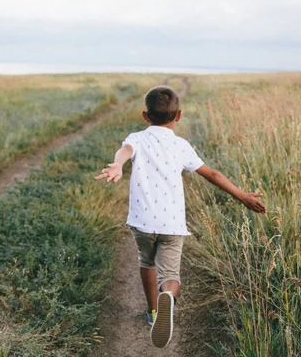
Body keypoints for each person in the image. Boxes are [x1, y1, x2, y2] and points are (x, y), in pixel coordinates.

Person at [95, 85, 267, 348]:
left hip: (142, 222)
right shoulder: (181, 145)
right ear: (178, 116)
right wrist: (242, 195)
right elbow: (213, 175)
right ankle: (168, 297)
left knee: (146, 261)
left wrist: (118, 164)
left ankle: (153, 312)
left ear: (145, 115)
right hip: (172, 225)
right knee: (171, 274)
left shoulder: (137, 138)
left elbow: (125, 151)